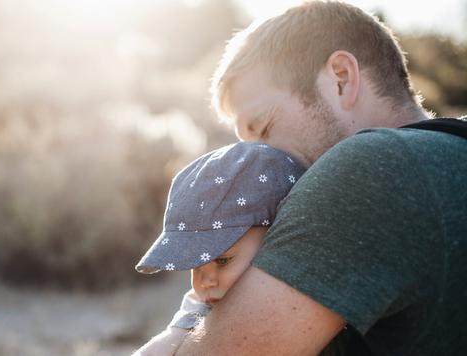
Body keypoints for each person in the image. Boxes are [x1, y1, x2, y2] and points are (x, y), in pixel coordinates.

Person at [171, 1, 467, 355]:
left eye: (263, 128)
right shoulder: (449, 152)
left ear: (341, 78)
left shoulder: (368, 169)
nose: (255, 163)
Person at [132, 142, 305, 355]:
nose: (205, 281)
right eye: (195, 266)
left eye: (222, 260)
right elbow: (164, 344)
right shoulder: (202, 306)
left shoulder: (305, 296)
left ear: (276, 237)